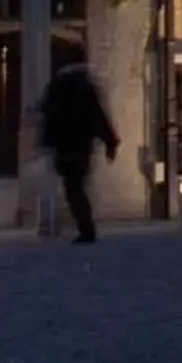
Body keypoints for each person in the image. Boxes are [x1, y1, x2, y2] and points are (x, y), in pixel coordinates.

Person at [40, 61, 119, 243]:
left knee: (73, 188)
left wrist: (47, 141)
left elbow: (50, 116)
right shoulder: (84, 89)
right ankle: (85, 228)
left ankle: (86, 228)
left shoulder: (58, 88)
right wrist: (110, 142)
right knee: (76, 187)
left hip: (66, 145)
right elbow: (98, 117)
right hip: (81, 145)